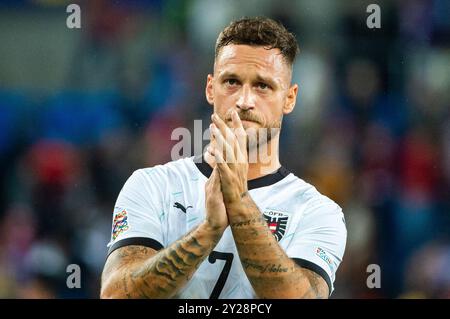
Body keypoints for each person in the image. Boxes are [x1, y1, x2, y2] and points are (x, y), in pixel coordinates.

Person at [100, 17, 347, 299]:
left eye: (263, 86)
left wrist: (240, 206)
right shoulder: (152, 186)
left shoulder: (317, 212)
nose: (244, 100)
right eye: (231, 81)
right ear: (210, 88)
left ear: (289, 98)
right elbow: (115, 295)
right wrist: (208, 231)